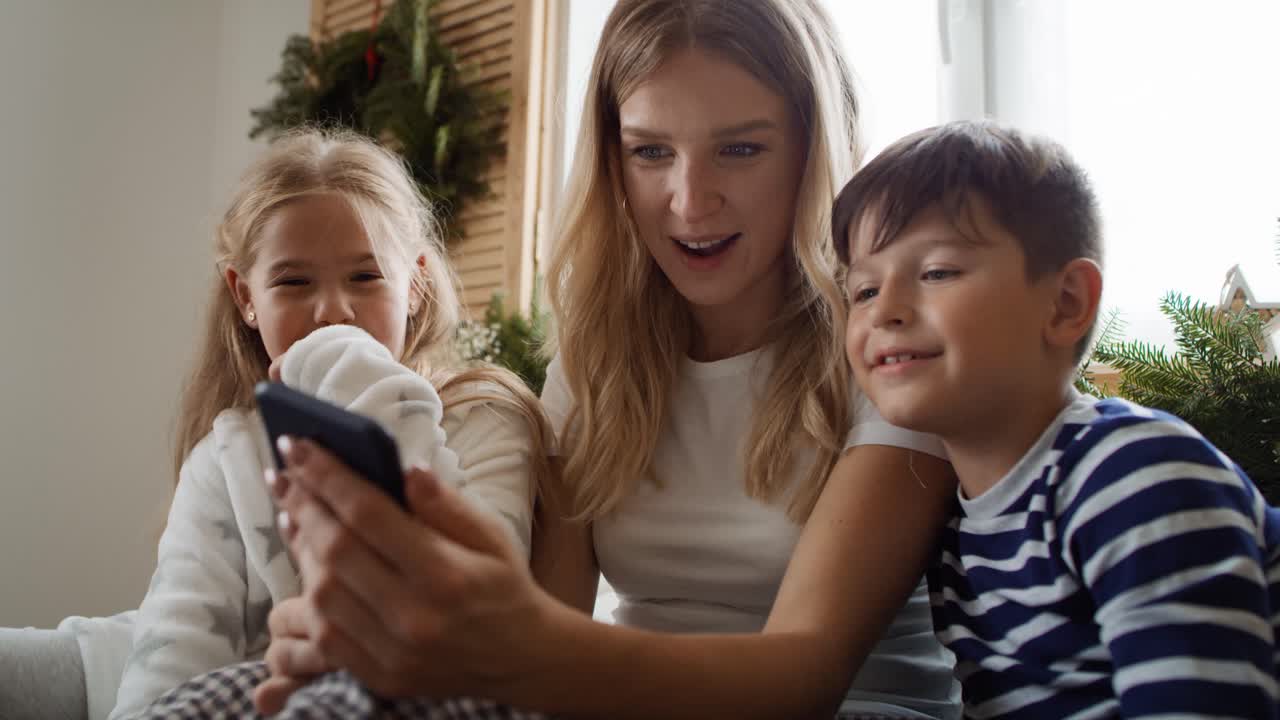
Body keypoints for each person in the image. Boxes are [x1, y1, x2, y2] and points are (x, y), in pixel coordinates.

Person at [129, 1, 961, 718]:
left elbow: (805, 675)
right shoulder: (600, 362)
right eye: (650, 152)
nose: (690, 199)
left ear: (812, 150)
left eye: (741, 150)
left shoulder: (887, 344)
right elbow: (541, 621)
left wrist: (512, 646)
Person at [834, 120, 1280, 718]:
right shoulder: (957, 528)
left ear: (1066, 302)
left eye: (937, 272)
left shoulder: (1132, 476)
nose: (884, 309)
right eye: (863, 290)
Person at [98, 129, 550, 717]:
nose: (333, 309)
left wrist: (365, 384)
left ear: (414, 284)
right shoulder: (227, 457)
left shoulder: (487, 419)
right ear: (246, 297)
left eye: (365, 277)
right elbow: (168, 666)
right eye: (293, 282)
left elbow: (473, 616)